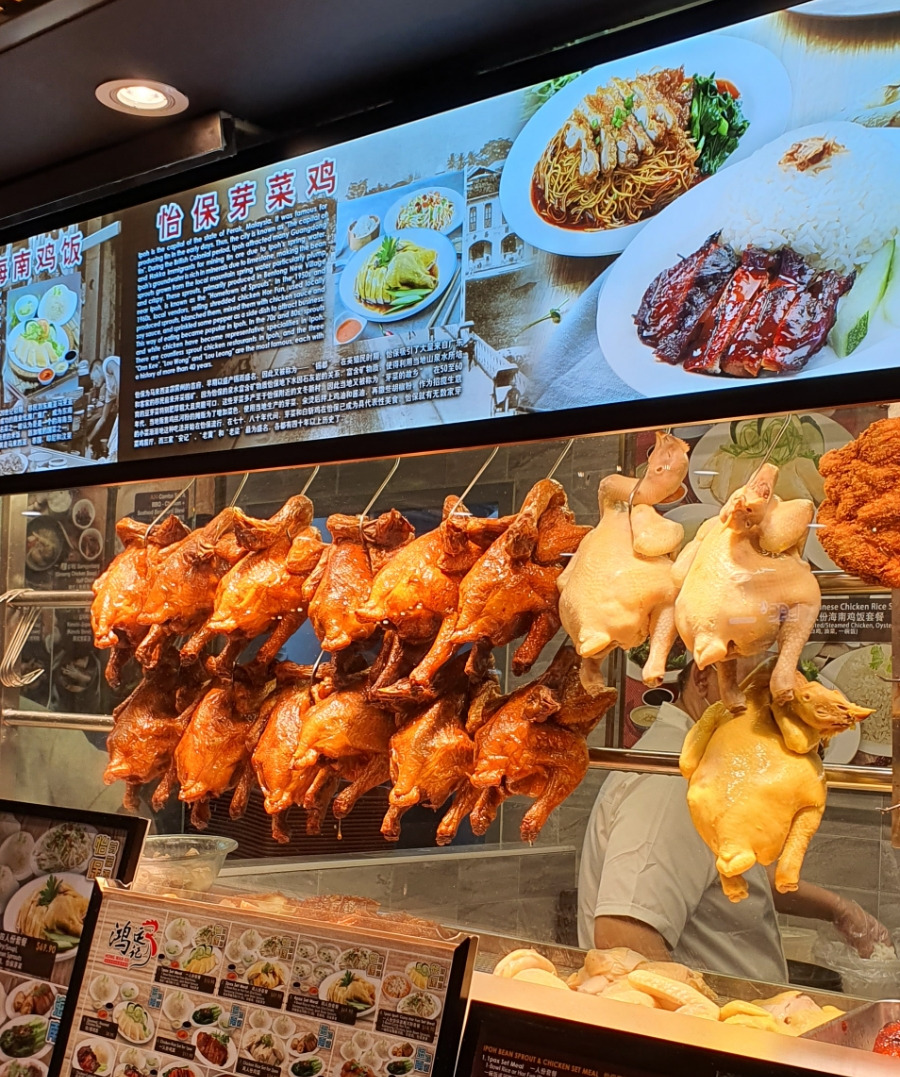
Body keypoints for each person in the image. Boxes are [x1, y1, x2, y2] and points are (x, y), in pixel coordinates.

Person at [577, 659, 892, 982]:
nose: (783, 699)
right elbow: (624, 938)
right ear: (703, 680)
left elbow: (729, 867)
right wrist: (696, 1009)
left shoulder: (713, 761)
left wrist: (839, 910)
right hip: (705, 1013)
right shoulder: (679, 782)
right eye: (761, 682)